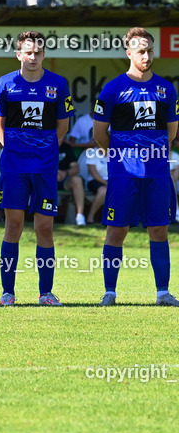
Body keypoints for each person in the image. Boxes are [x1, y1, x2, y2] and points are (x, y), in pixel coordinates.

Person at [93, 27, 179, 306]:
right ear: (128, 53)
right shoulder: (113, 89)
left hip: (157, 174)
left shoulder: (166, 89)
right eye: (141, 50)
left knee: (159, 230)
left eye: (150, 50)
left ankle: (163, 293)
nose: (146, 55)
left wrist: (152, 153)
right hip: (123, 175)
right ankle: (109, 292)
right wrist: (120, 157)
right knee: (116, 231)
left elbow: (171, 133)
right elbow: (99, 133)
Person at [0, 31, 74, 306]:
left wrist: (45, 150)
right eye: (28, 52)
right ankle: (7, 293)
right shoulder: (4, 84)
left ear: (44, 54)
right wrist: (13, 148)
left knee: (45, 229)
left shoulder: (58, 84)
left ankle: (46, 293)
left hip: (45, 168)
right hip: (14, 168)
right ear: (19, 55)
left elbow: (63, 127)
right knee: (13, 227)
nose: (33, 57)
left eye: (38, 52)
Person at [58, 144, 86, 225]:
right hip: (47, 178)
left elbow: (76, 168)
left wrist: (65, 173)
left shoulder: (67, 147)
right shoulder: (44, 145)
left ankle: (80, 216)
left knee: (77, 180)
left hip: (64, 179)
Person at [85, 148, 108, 223]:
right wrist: (107, 184)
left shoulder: (114, 152)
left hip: (111, 181)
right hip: (94, 181)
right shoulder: (92, 152)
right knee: (103, 191)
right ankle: (90, 217)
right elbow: (93, 173)